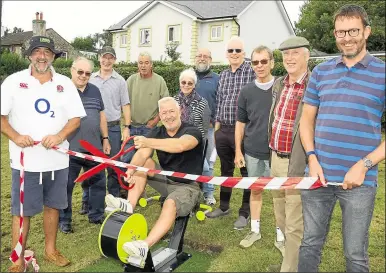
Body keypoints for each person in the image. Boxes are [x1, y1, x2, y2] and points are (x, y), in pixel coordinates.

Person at [298, 4, 385, 272]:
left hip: (360, 182)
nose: (346, 37)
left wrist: (364, 165)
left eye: (353, 31)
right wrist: (312, 159)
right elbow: (306, 121)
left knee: (355, 254)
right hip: (318, 177)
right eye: (340, 32)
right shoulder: (321, 72)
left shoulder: (383, 74)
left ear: (367, 31)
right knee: (310, 244)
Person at [0, 36, 86, 272]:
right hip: (25, 161)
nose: (42, 56)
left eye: (47, 52)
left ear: (53, 56)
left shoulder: (65, 83)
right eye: (37, 51)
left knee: (53, 206)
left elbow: (75, 118)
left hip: (57, 160)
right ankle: (17, 260)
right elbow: (2, 117)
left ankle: (51, 250)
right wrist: (16, 136)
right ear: (29, 55)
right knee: (21, 212)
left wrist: (59, 137)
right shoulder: (13, 81)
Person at [104, 97, 204, 268]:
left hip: (189, 187)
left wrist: (147, 140)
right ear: (160, 115)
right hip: (166, 182)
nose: (168, 116)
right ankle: (129, 205)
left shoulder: (192, 131)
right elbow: (142, 155)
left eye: (172, 111)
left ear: (180, 111)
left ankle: (144, 246)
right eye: (164, 113)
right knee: (144, 163)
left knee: (171, 203)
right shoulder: (157, 132)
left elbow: (180, 145)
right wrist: (130, 170)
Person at [267, 36, 311, 272]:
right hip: (276, 158)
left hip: (296, 163)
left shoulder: (313, 86)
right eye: (285, 54)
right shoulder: (280, 84)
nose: (289, 58)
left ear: (307, 56)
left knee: (295, 222)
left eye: (295, 53)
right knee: (281, 216)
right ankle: (290, 260)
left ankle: (290, 269)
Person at [235, 45, 284, 248]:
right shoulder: (246, 91)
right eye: (255, 62)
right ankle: (255, 231)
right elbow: (240, 123)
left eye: (264, 61)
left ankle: (281, 236)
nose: (260, 65)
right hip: (253, 151)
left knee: (279, 194)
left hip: (278, 153)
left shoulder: (282, 87)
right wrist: (238, 151)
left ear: (272, 62)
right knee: (256, 191)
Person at [206, 36, 255, 230]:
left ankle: (245, 213)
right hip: (223, 130)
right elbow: (219, 102)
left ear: (244, 53)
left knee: (246, 172)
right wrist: (217, 130)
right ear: (226, 54)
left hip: (243, 131)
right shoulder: (223, 75)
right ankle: (224, 206)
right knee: (225, 170)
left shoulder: (251, 72)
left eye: (238, 51)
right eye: (231, 51)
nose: (234, 54)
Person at [58, 57, 110, 233]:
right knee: (66, 186)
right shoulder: (61, 91)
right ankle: (64, 220)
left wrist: (106, 138)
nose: (83, 76)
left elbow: (101, 116)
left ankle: (96, 215)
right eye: (80, 72)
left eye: (87, 73)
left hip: (94, 148)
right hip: (69, 149)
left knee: (98, 184)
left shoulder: (95, 90)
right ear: (72, 70)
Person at [89, 46, 131, 198]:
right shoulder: (90, 78)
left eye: (110, 58)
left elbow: (125, 105)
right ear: (99, 58)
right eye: (104, 57)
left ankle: (113, 198)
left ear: (114, 60)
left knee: (113, 165)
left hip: (113, 128)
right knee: (91, 164)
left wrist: (127, 127)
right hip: (92, 128)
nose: (107, 61)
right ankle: (88, 201)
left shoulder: (120, 81)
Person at [121, 51, 169, 164]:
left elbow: (165, 105)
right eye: (140, 63)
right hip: (132, 127)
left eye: (146, 63)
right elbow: (123, 102)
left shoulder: (159, 81)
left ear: (151, 64)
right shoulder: (131, 80)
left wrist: (155, 121)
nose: (143, 66)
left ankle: (138, 182)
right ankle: (127, 181)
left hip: (149, 129)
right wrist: (126, 123)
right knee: (125, 159)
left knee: (142, 161)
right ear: (137, 64)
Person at [194, 48, 219, 205]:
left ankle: (209, 193)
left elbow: (220, 101)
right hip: (191, 128)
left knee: (209, 162)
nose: (202, 58)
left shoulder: (217, 78)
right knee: (194, 160)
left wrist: (215, 122)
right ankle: (195, 190)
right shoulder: (188, 76)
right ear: (195, 58)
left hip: (210, 128)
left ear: (210, 59)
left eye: (205, 56)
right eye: (199, 56)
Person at [174, 68, 210, 140]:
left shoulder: (202, 103)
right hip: (177, 140)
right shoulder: (174, 101)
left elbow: (205, 127)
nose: (186, 85)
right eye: (183, 82)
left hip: (196, 141)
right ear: (180, 83)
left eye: (190, 83)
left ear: (194, 85)